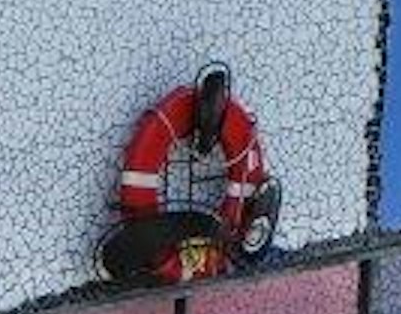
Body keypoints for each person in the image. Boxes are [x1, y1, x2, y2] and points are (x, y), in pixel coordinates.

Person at [102, 58, 282, 284]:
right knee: (123, 254)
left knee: (223, 235)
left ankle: (248, 238)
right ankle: (248, 240)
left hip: (203, 234)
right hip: (175, 239)